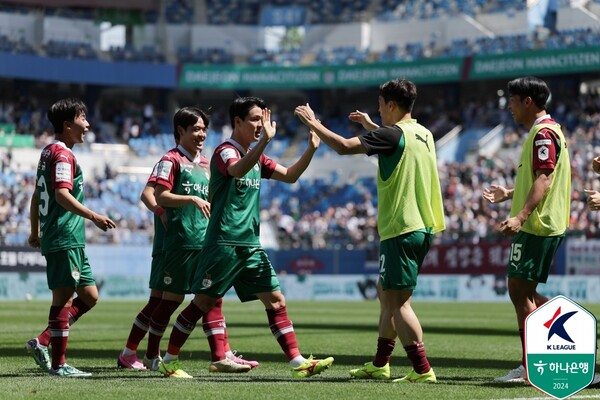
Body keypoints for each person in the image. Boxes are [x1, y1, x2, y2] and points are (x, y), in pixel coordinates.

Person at [157, 96, 333, 379]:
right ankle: (169, 360)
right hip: (224, 243)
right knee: (201, 303)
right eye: (255, 120)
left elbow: (289, 176)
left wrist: (310, 150)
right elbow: (237, 169)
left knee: (276, 301)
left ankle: (298, 362)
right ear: (237, 122)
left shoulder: (257, 157)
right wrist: (264, 142)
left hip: (250, 245)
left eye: (263, 120)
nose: (261, 125)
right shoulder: (226, 151)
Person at [294, 78, 444, 383]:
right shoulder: (423, 133)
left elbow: (343, 146)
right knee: (385, 293)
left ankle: (422, 369)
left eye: (379, 105)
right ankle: (380, 363)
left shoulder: (392, 134)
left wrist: (313, 123)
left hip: (401, 227)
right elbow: (394, 141)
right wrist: (371, 124)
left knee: (398, 303)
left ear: (390, 105)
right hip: (422, 225)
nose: (378, 109)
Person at [118, 107, 256, 373]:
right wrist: (163, 210)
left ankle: (221, 353)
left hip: (205, 241)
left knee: (210, 298)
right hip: (178, 241)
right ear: (180, 131)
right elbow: (154, 194)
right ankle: (144, 354)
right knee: (166, 301)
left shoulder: (207, 165)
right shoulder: (170, 160)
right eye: (195, 128)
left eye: (204, 128)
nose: (201, 133)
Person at [482, 76, 571, 383]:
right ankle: (572, 333)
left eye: (513, 101)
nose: (509, 107)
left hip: (537, 225)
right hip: (541, 223)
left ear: (528, 102)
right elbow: (539, 177)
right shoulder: (545, 131)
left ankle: (531, 368)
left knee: (519, 291)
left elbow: (545, 180)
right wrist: (509, 193)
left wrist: (519, 216)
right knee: (525, 292)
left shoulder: (544, 133)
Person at [26, 98, 117, 377]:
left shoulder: (48, 153)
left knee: (89, 295)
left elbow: (37, 195)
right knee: (63, 300)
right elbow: (60, 195)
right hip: (64, 235)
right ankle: (59, 364)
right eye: (82, 118)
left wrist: (34, 230)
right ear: (67, 125)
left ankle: (42, 341)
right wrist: (93, 216)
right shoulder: (63, 155)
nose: (88, 124)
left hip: (68, 237)